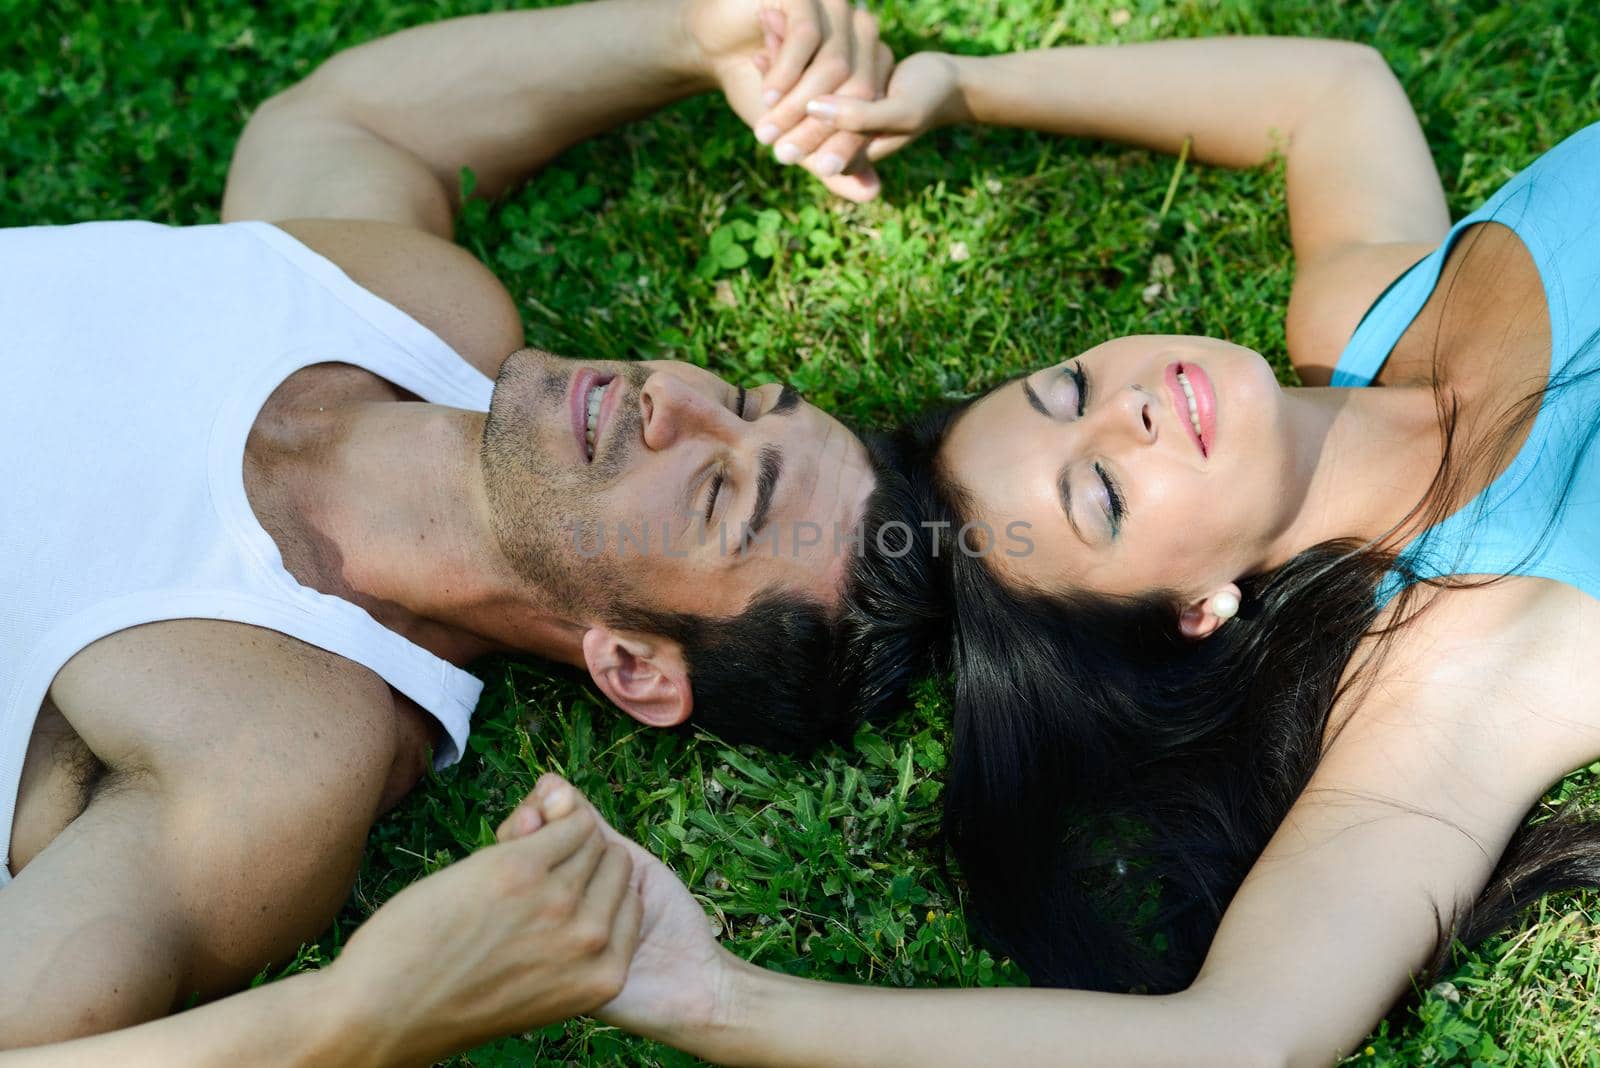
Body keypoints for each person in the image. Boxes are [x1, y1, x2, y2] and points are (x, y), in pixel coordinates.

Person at [490, 36, 1600, 1068]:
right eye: (1103, 496)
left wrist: (962, 87)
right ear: (1195, 610)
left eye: (1068, 386)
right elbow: (1239, 1038)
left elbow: (1331, 94)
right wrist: (713, 997)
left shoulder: (1359, 312)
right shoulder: (1463, 656)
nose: (1127, 410)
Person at [0, 0, 940, 1049]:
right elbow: (349, 126)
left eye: (717, 493)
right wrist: (695, 38)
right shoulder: (413, 312)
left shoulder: (274, 759)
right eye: (748, 403)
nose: (669, 399)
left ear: (633, 665)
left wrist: (364, 1012)